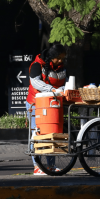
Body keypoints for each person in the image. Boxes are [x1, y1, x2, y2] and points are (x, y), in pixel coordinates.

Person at [25, 43, 67, 175]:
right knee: (37, 135)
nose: (61, 60)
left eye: (63, 58)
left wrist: (63, 90)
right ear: (52, 57)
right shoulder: (37, 65)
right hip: (35, 104)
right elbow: (35, 82)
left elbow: (65, 82)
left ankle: (50, 166)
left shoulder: (61, 67)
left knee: (51, 135)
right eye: (59, 58)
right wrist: (52, 90)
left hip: (52, 105)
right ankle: (37, 166)